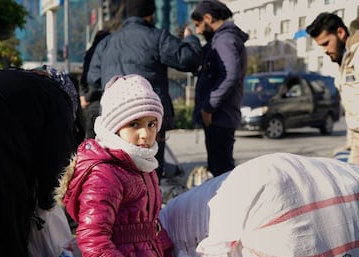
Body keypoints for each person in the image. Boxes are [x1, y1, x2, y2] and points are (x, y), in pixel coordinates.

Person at [56, 74, 175, 257]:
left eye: (151, 124)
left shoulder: (142, 165)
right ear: (114, 126)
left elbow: (149, 219)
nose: (145, 134)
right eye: (134, 124)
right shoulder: (104, 175)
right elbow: (93, 238)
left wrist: (165, 249)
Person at [0, 65, 83, 257]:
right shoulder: (58, 98)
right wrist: (45, 207)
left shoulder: (17, 83)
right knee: (4, 243)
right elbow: (57, 171)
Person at [87, 0, 202, 181]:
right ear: (150, 15)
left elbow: (93, 79)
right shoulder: (157, 37)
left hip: (116, 122)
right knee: (149, 178)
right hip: (149, 120)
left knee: (117, 176)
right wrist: (190, 38)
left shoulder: (107, 42)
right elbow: (190, 59)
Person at [306, 12, 359, 173]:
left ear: (340, 33)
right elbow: (354, 104)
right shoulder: (344, 59)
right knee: (350, 185)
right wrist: (351, 142)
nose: (324, 50)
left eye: (326, 43)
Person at [190, 0, 248, 177]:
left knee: (222, 173)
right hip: (219, 116)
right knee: (219, 170)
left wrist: (208, 107)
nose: (198, 31)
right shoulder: (220, 39)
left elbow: (230, 74)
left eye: (198, 25)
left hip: (219, 116)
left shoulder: (224, 39)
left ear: (209, 18)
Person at [79, 29, 111, 139]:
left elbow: (85, 77)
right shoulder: (108, 53)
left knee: (91, 142)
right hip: (102, 100)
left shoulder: (90, 52)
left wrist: (84, 96)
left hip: (92, 103)